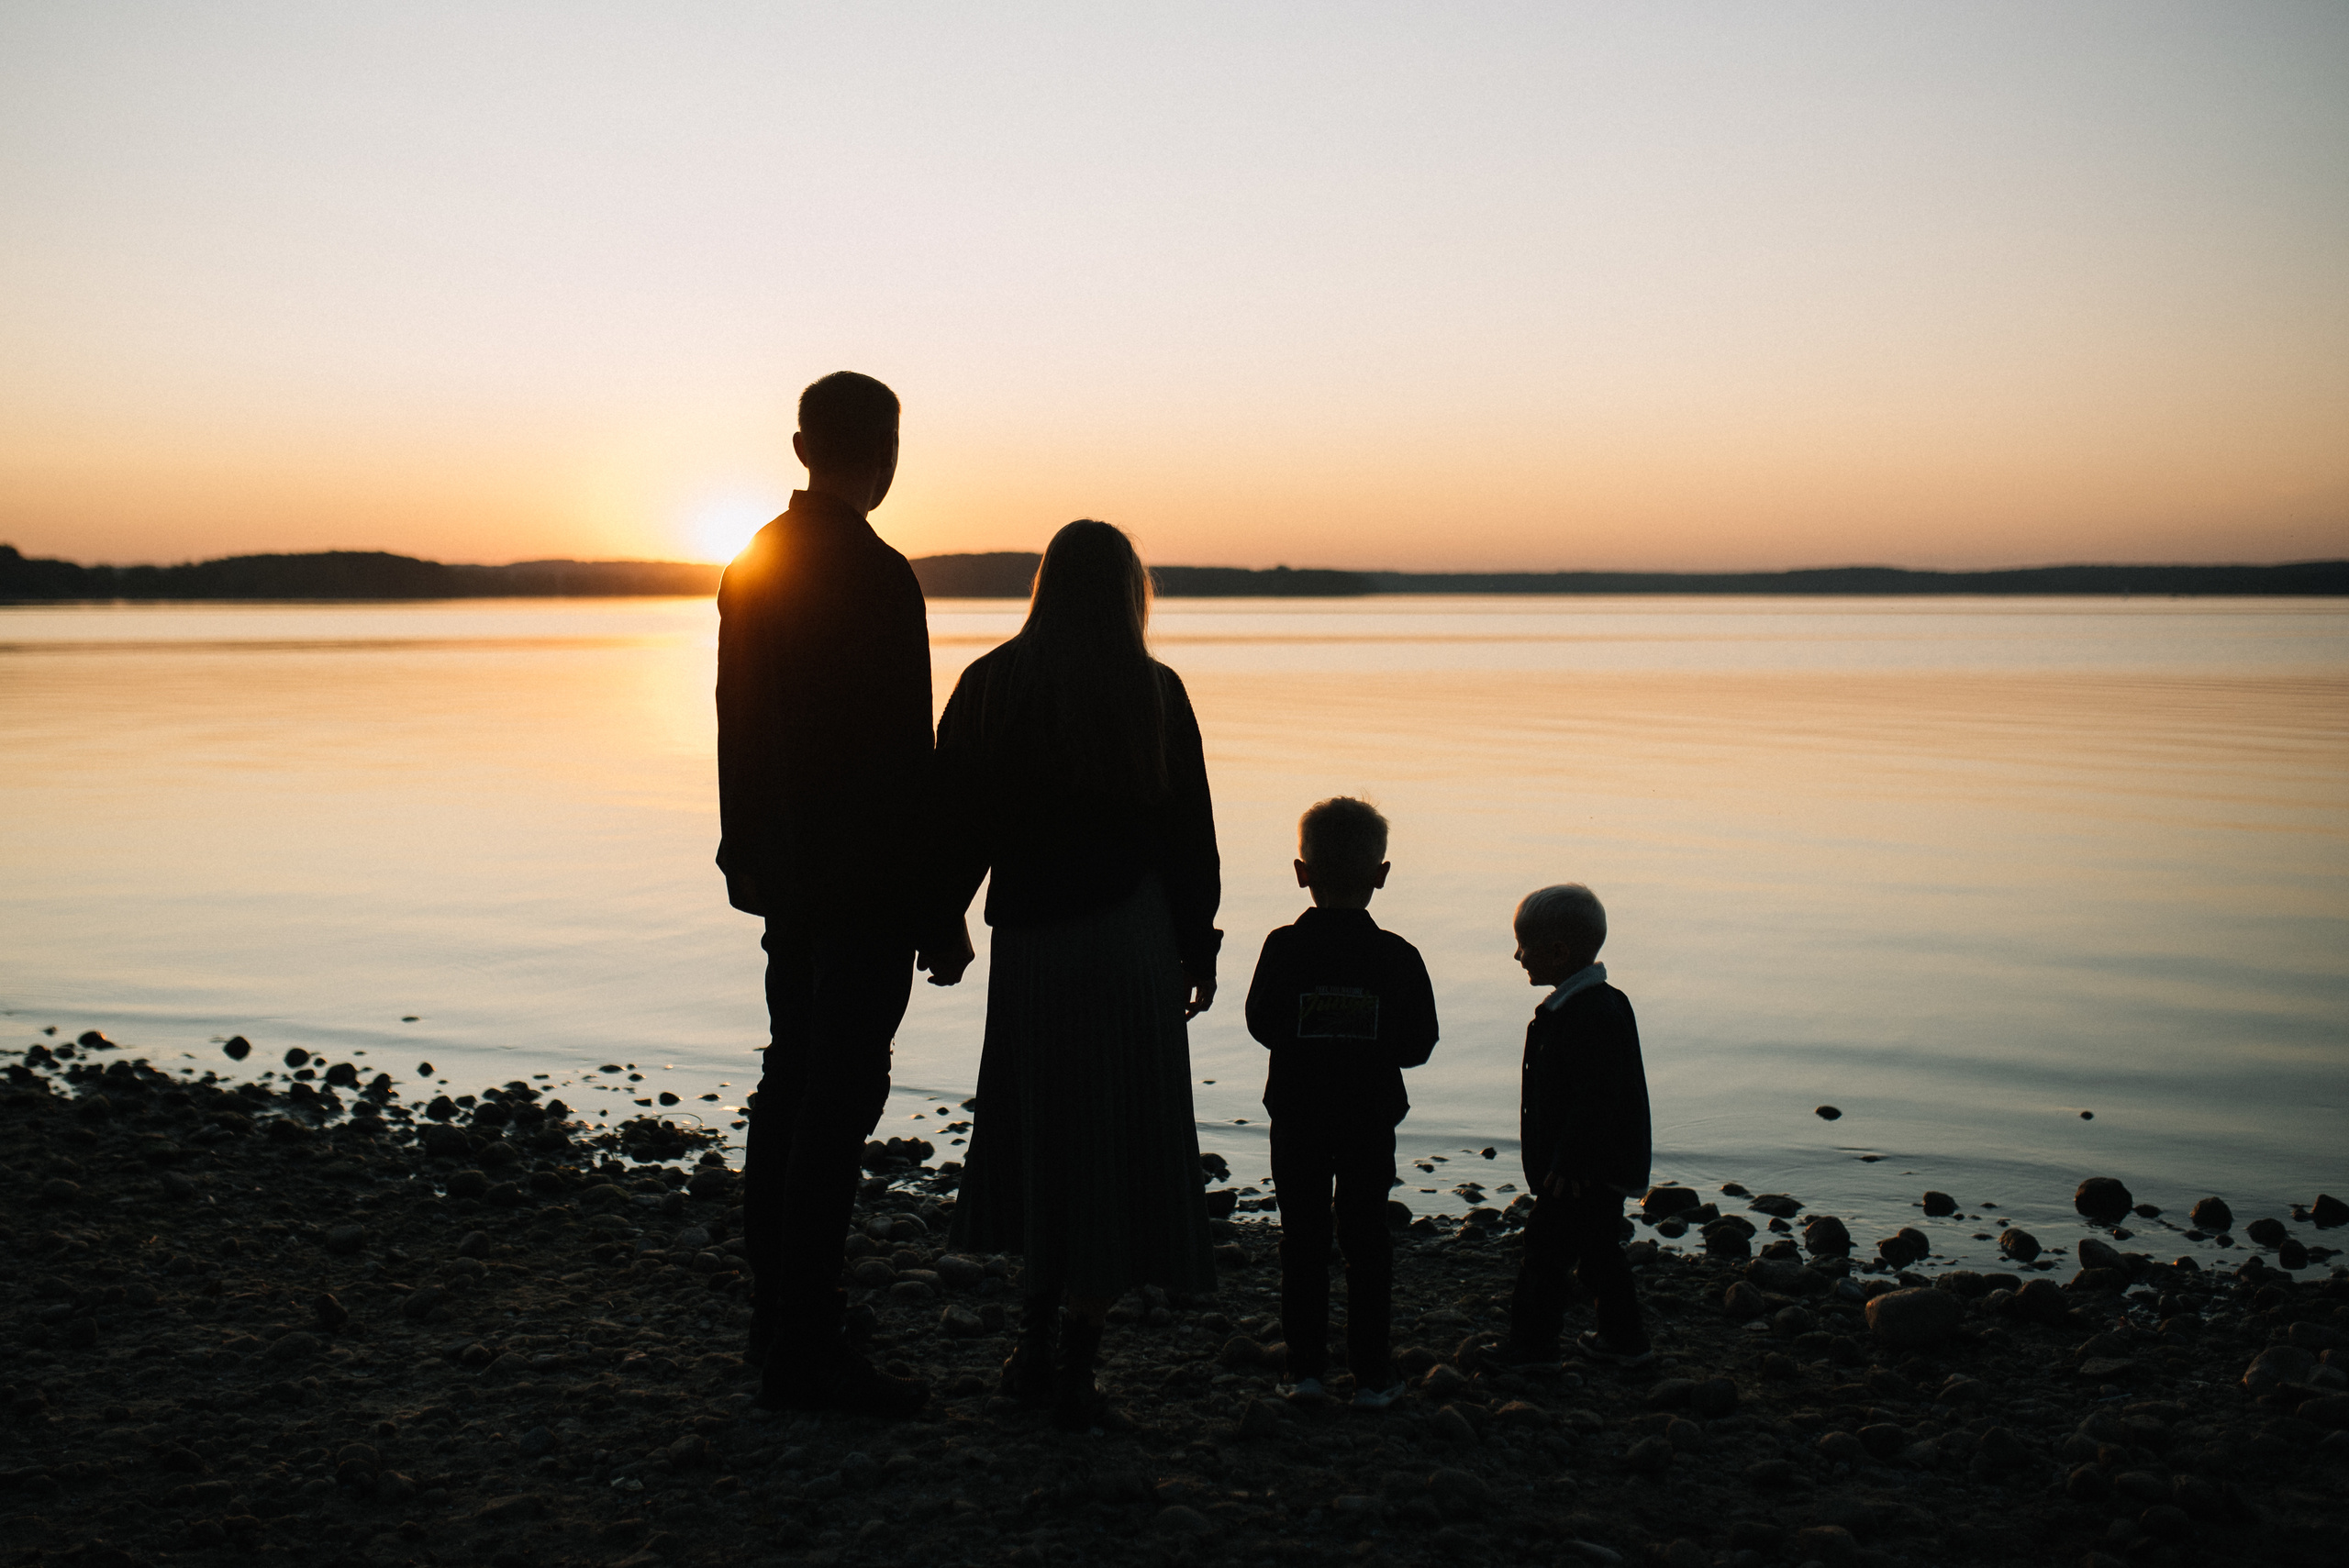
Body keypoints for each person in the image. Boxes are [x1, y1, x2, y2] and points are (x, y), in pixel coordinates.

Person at [929, 519, 1221, 1429]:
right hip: (1130, 939)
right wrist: (1199, 946)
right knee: (1115, 1140)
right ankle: (1078, 1361)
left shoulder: (990, 683)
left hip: (1032, 945)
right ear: (1129, 592)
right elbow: (1189, 837)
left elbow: (953, 819)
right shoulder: (1154, 691)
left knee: (1044, 1132)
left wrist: (941, 920)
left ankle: (1031, 1345)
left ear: (1045, 585)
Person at [715, 372, 965, 1417]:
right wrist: (937, 904)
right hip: (861, 878)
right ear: (888, 455)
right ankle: (805, 1342)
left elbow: (739, 722)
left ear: (801, 445)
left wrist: (749, 854)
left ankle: (779, 1316)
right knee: (838, 1095)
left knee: (791, 1080)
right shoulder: (876, 573)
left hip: (787, 874)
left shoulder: (753, 561)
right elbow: (903, 756)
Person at [1244, 796, 1438, 1408]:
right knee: (1366, 1239)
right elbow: (1418, 1044)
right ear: (1381, 874)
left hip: (1296, 1114)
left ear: (1301, 872)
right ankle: (1373, 1374)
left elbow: (1261, 1023)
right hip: (1368, 1117)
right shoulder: (1398, 956)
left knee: (1301, 1239)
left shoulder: (1283, 947)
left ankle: (1303, 1370)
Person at [1498, 882, 1653, 1367]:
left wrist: (1568, 1161)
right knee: (1598, 1251)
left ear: (1558, 952)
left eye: (1524, 946)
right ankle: (1624, 1340)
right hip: (1595, 1165)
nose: (1517, 956)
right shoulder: (1596, 1004)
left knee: (1545, 1251)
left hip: (1581, 1170)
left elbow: (1598, 1098)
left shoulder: (1588, 1015)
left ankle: (1532, 1347)